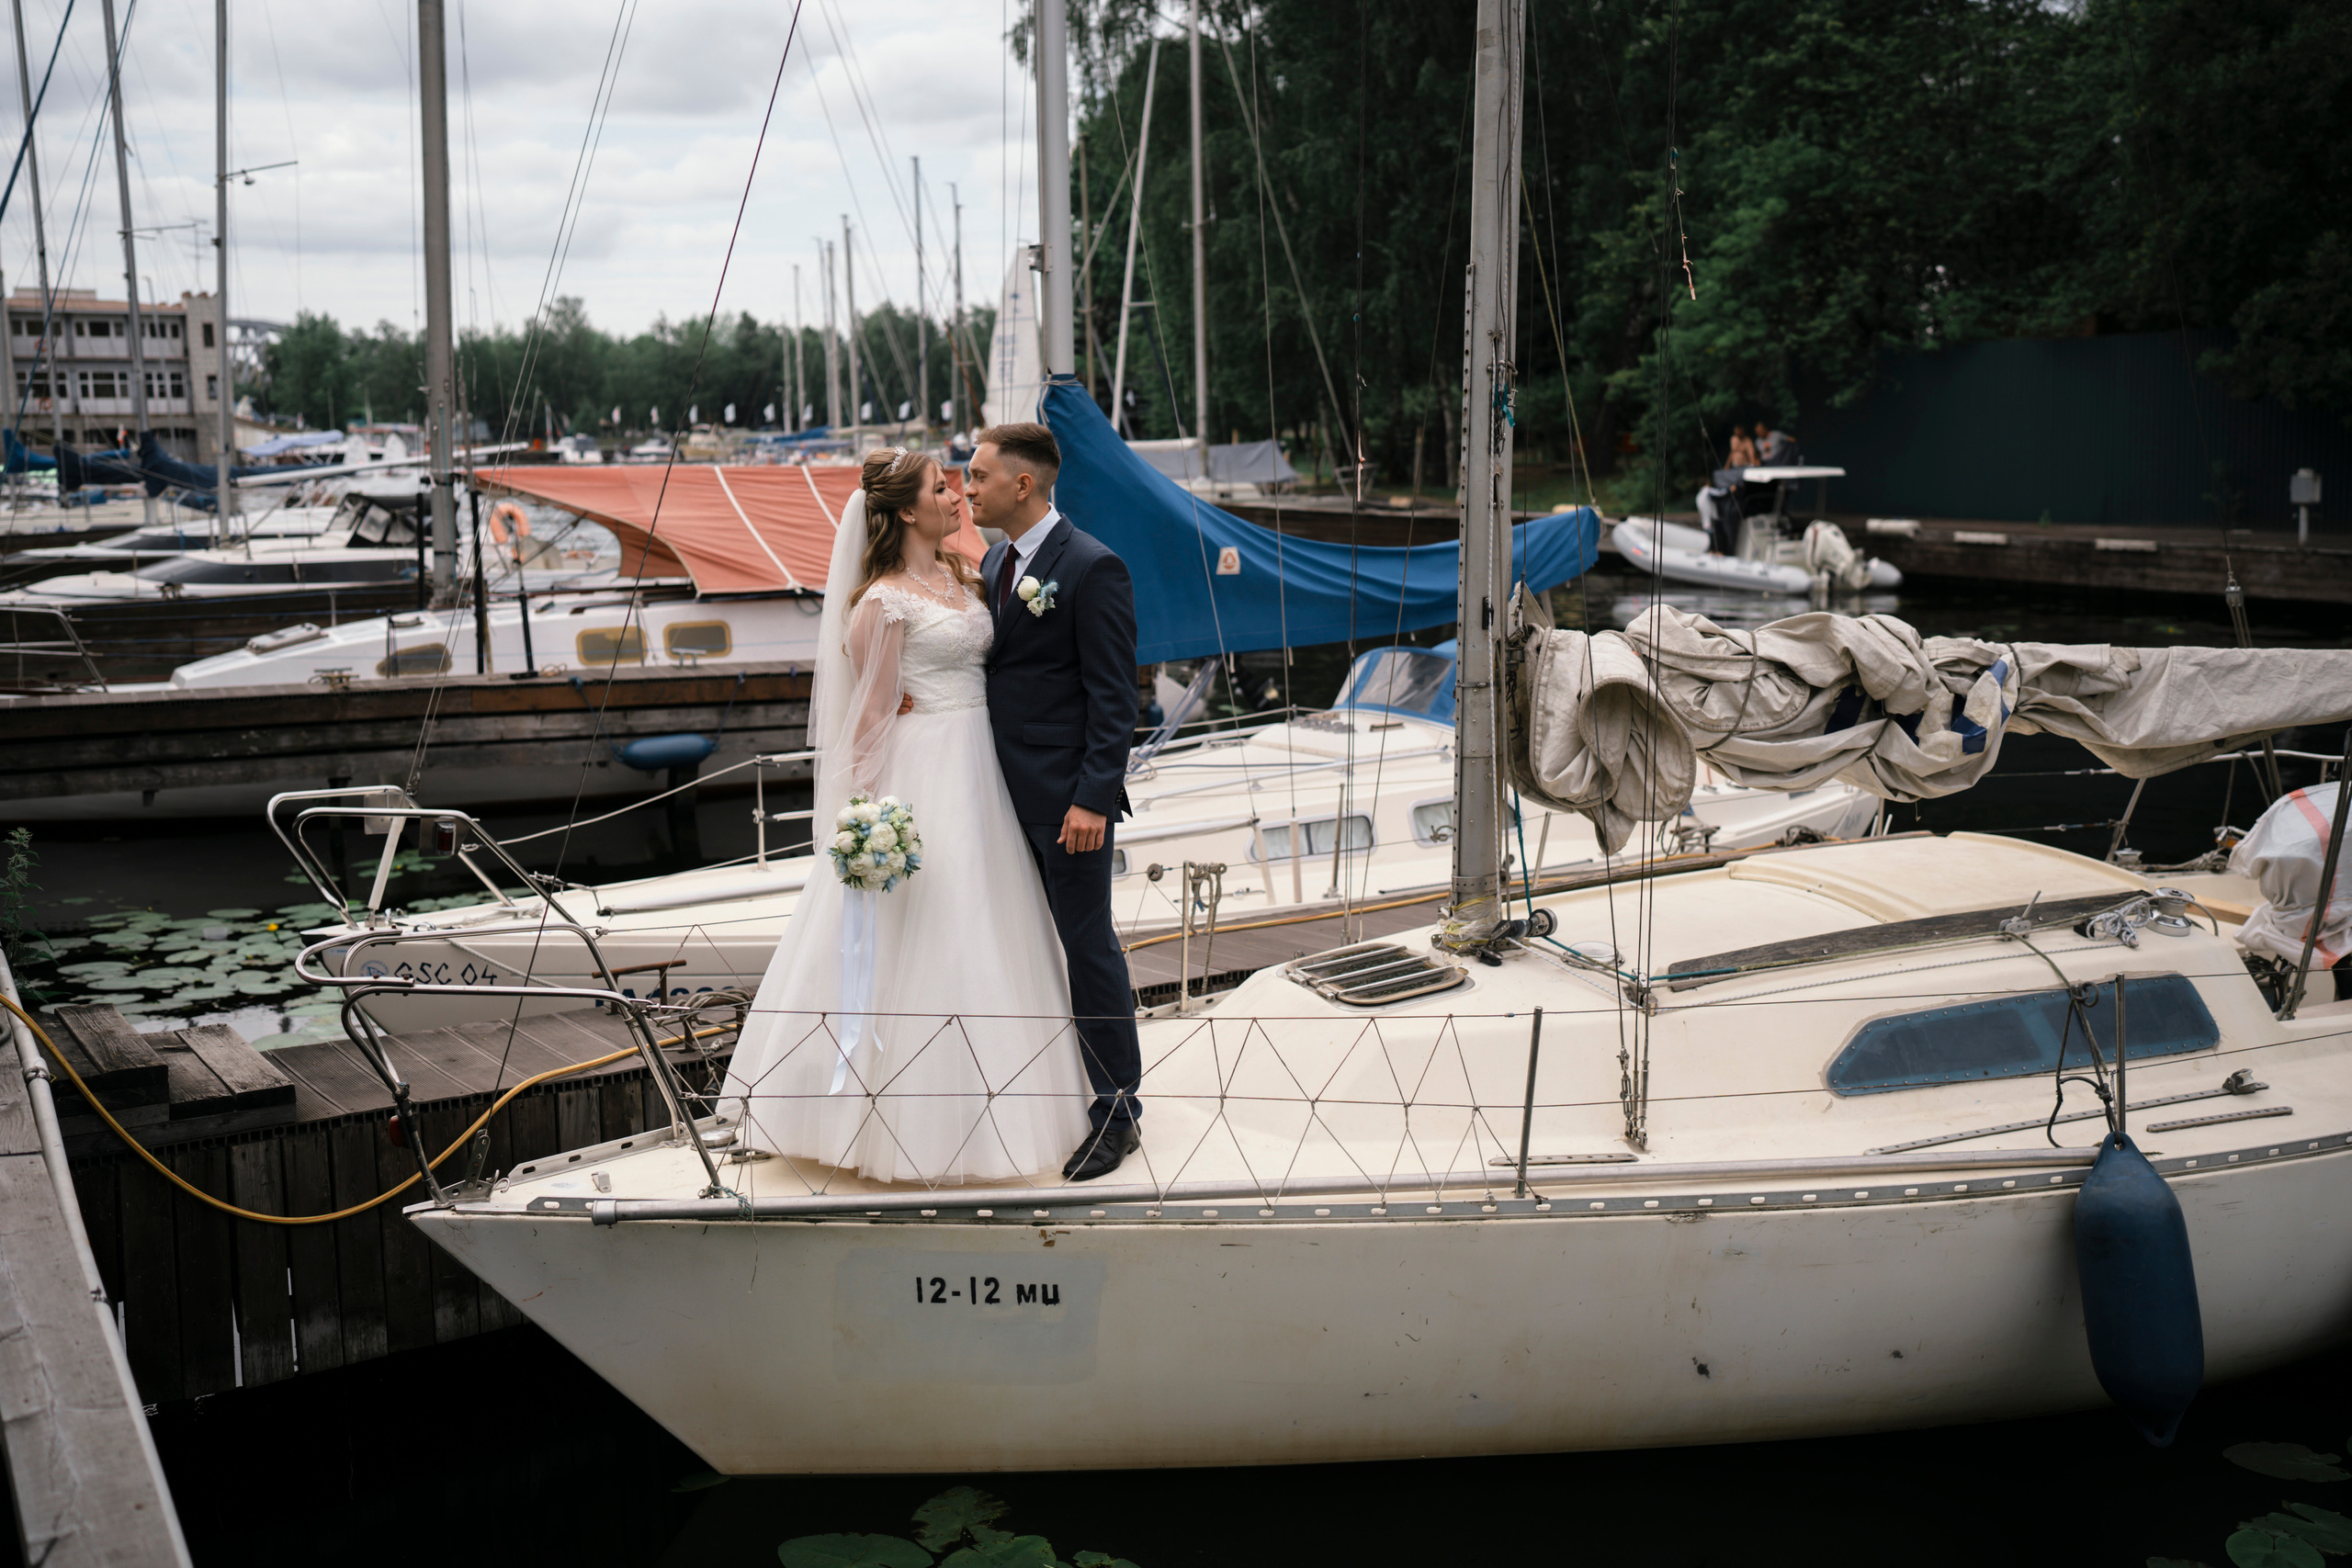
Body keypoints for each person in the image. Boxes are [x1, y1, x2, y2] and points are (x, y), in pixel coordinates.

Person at [718, 446, 1093, 1185]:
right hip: (924, 775)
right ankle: (890, 1121)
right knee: (929, 929)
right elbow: (868, 723)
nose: (955, 495)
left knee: (993, 927)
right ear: (903, 512)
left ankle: (1007, 1107)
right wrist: (868, 820)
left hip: (982, 765)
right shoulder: (880, 602)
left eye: (957, 484)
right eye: (940, 487)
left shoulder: (969, 576)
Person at [966, 422, 1145, 1182]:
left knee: (1087, 944)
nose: (966, 488)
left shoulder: (1093, 566)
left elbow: (1115, 699)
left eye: (977, 476)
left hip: (1066, 802)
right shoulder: (996, 559)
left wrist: (1093, 800)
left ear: (1023, 484)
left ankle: (1117, 1111)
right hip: (992, 792)